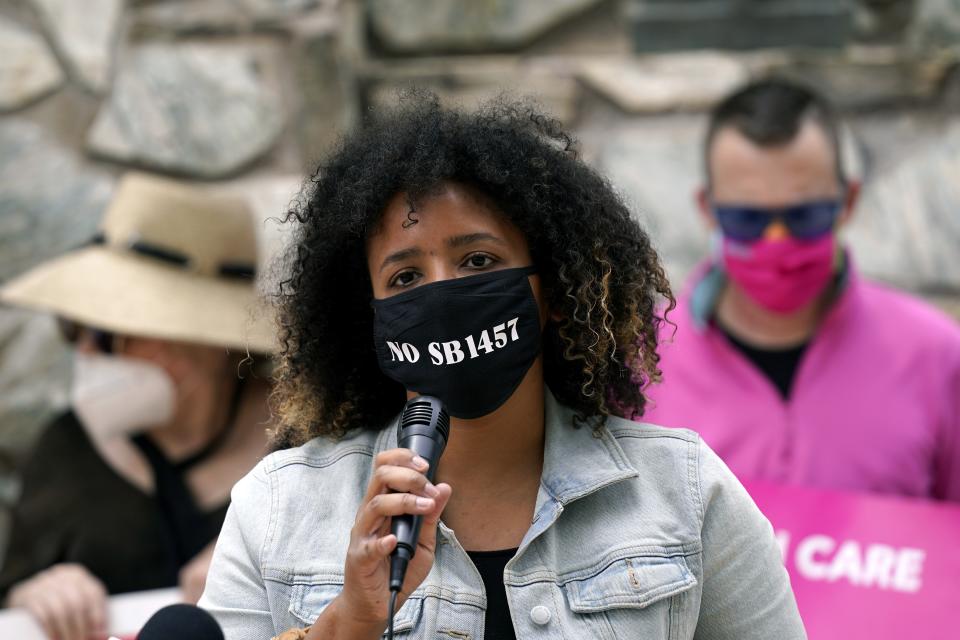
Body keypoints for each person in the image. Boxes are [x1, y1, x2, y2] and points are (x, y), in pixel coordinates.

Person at [198, 94, 806, 640]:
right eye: (405, 277)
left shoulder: (688, 492)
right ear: (370, 320)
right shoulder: (276, 509)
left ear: (556, 292)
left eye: (478, 260)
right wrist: (350, 622)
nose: (442, 294)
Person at [643, 78, 960, 500]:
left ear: (847, 202)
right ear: (708, 210)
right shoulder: (639, 360)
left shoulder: (936, 356)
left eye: (804, 215)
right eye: (748, 219)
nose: (777, 239)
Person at [0, 173, 276, 640]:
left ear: (206, 342)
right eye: (74, 327)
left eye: (109, 333)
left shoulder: (312, 447)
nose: (84, 352)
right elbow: (10, 595)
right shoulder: (67, 448)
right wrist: (31, 595)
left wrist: (266, 565)